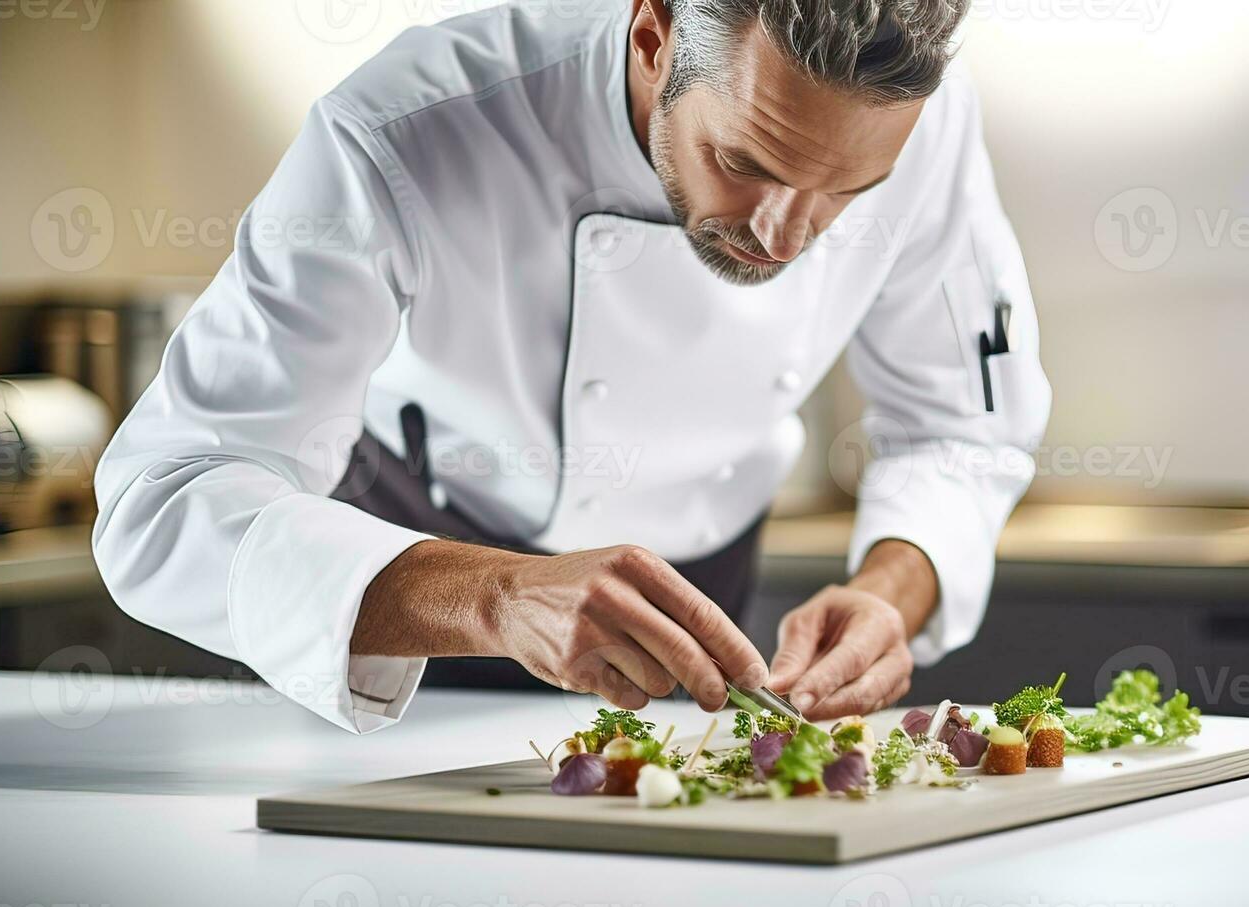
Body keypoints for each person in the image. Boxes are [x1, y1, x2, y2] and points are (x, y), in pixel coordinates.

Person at [92, 0, 1051, 733]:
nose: (784, 234)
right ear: (652, 35)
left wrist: (892, 590)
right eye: (746, 162)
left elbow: (961, 427)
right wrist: (499, 597)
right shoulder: (408, 129)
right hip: (406, 625)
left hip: (703, 631)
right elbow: (162, 498)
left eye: (850, 191)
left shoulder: (927, 126)